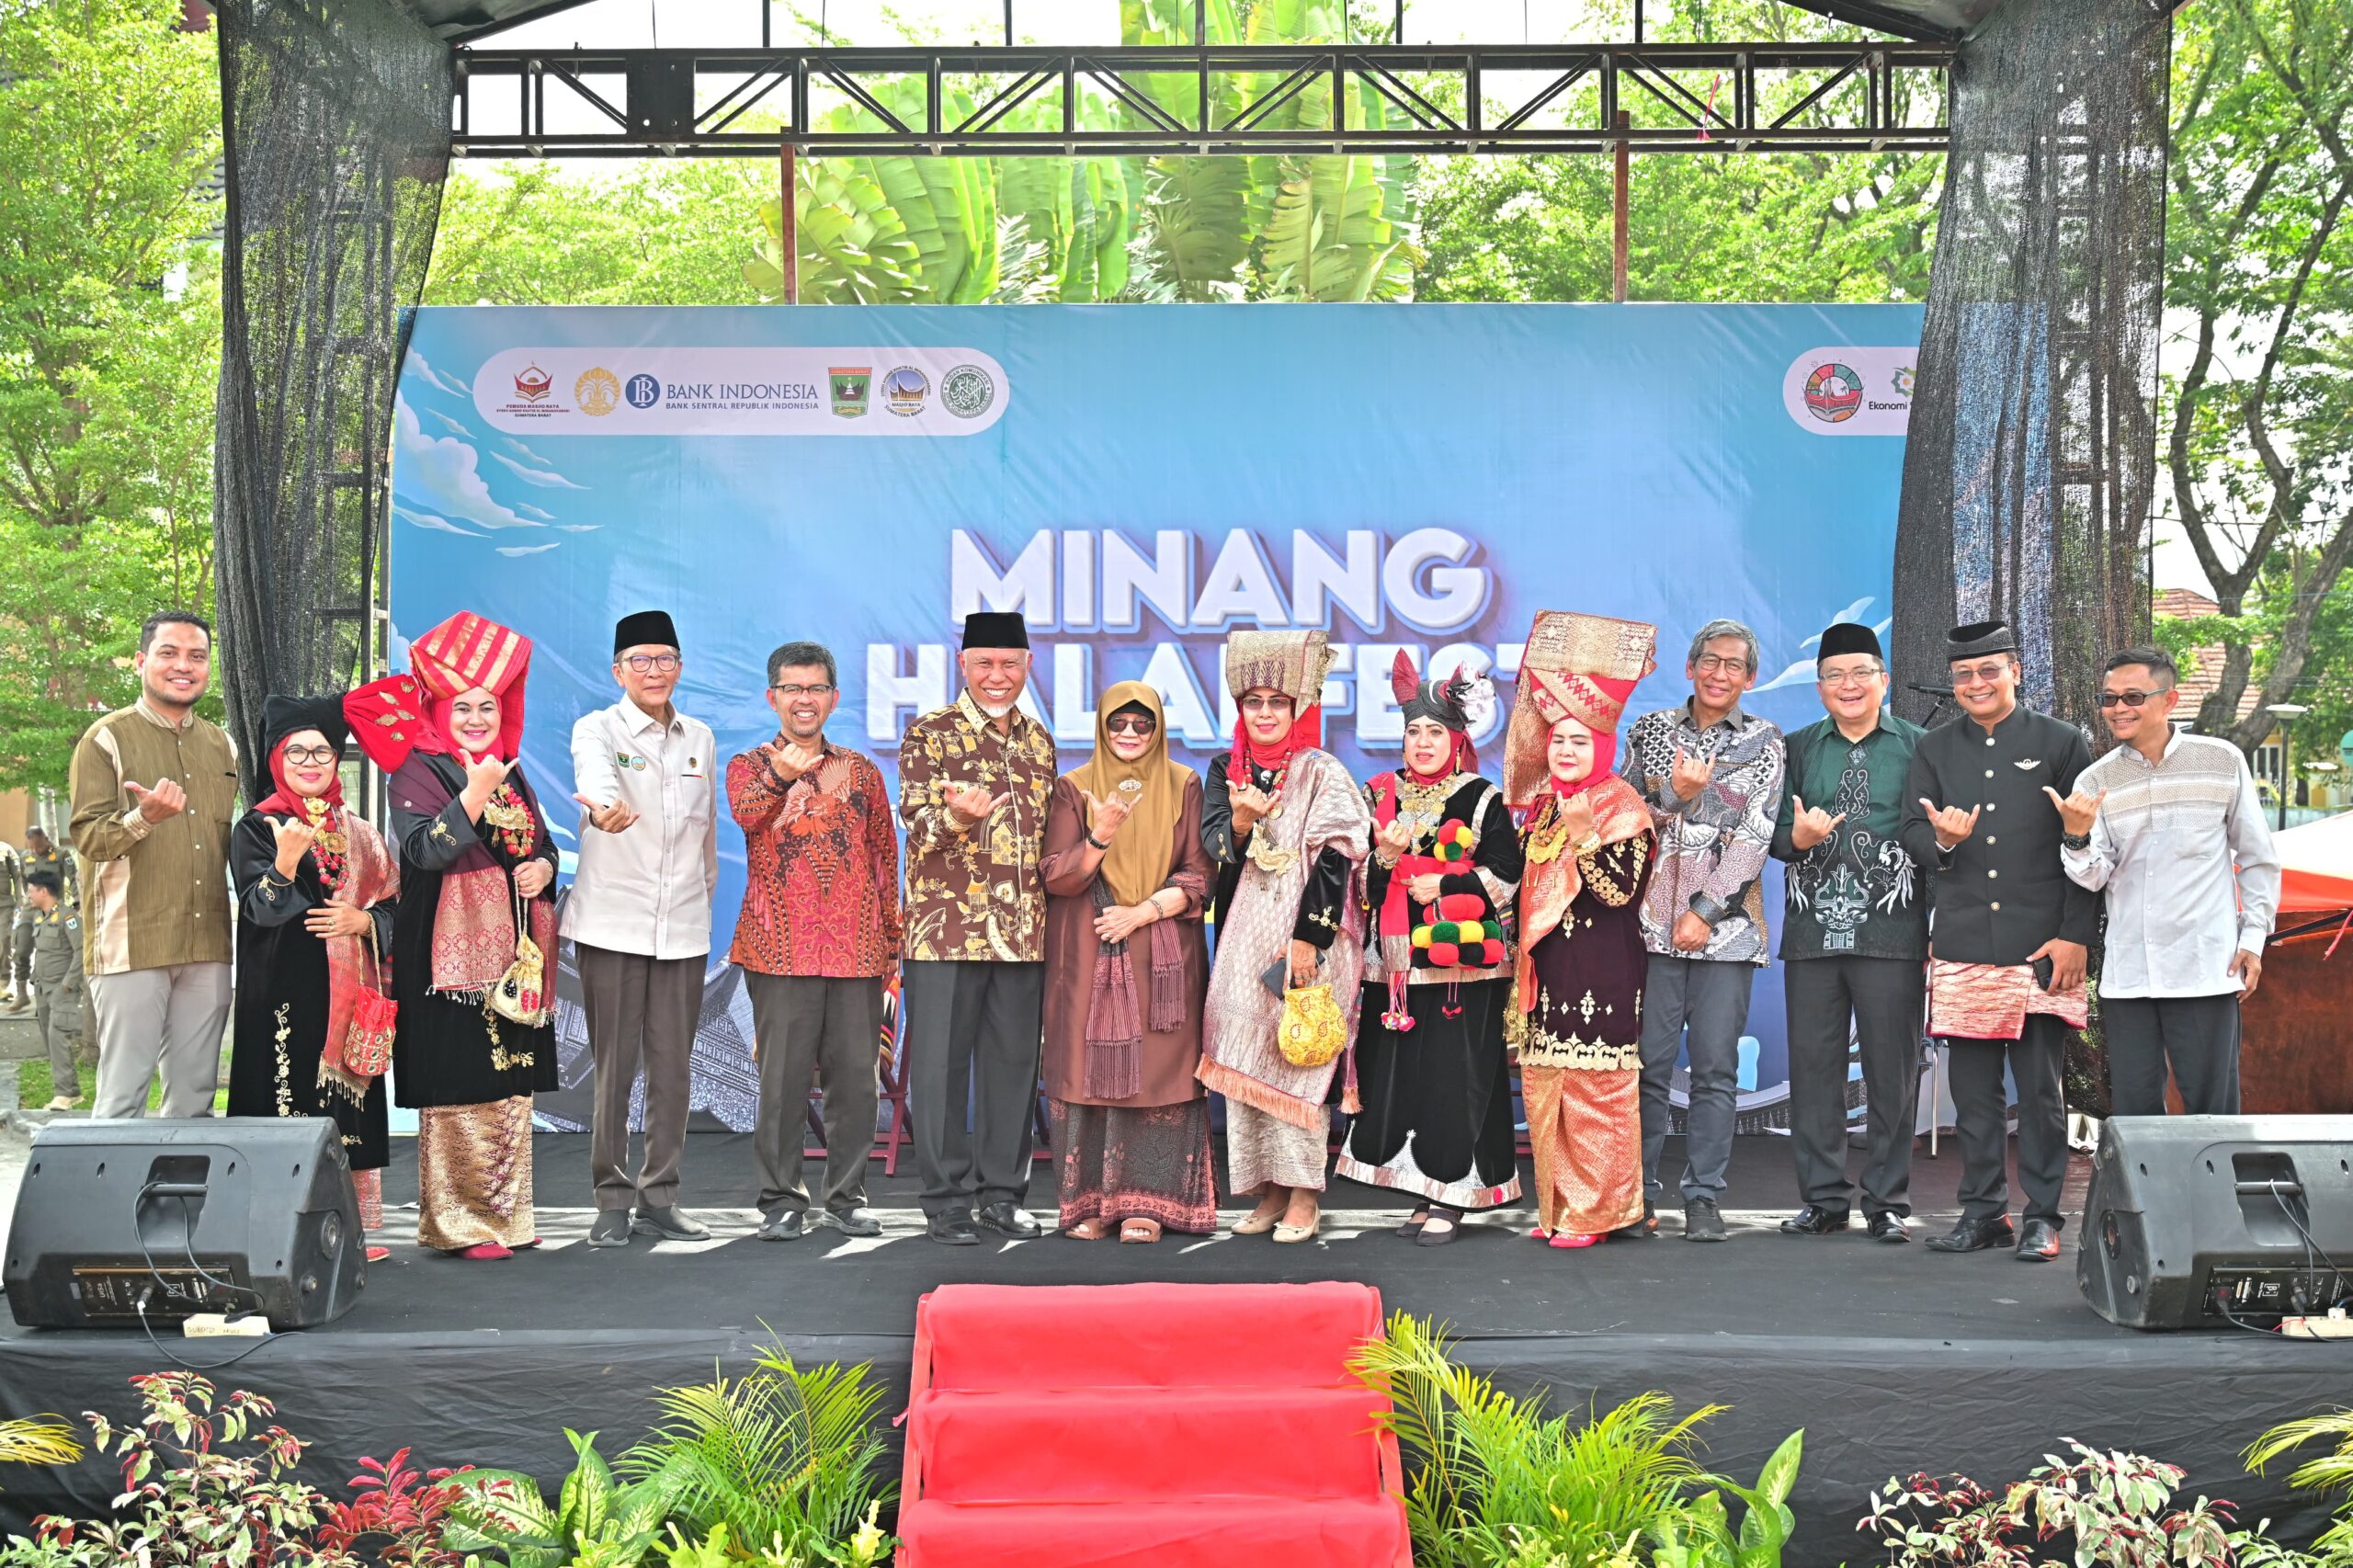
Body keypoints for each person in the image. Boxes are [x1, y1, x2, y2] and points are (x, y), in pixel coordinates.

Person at [360, 612, 560, 1260]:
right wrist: (473, 793)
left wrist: (544, 868)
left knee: (509, 1085)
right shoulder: (417, 770)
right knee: (461, 1083)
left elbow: (541, 843)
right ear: (440, 711)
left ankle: (508, 1216)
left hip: (514, 956)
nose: (476, 718)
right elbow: (423, 851)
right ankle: (459, 1223)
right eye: (463, 707)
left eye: (487, 706)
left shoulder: (512, 770)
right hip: (445, 962)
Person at [1901, 619, 2097, 1262]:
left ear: (2015, 670)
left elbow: (2088, 842)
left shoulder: (2062, 742)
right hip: (1963, 945)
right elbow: (1911, 832)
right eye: (1964, 675)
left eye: (1989, 670)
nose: (1976, 683)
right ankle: (1984, 1213)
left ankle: (2043, 1216)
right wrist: (1942, 841)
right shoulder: (1934, 748)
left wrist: (2075, 936)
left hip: (2040, 946)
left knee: (2039, 1091)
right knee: (1974, 1094)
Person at [1337, 652, 1524, 1244]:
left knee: (1455, 1078)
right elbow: (1353, 886)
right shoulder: (1375, 793)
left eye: (1435, 732)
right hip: (1391, 967)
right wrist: (1386, 859)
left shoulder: (1482, 798)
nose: (1423, 742)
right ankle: (1423, 1191)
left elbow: (1509, 875)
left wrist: (1446, 885)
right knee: (1406, 1081)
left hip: (1462, 968)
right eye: (1414, 731)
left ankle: (1453, 1195)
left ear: (1457, 738)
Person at [2052, 646, 2279, 1117]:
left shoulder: (2221, 761)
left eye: (2133, 697)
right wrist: (2075, 837)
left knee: (2213, 1113)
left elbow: (2257, 858)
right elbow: (2094, 878)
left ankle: (2213, 1174)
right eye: (2109, 698)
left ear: (2169, 699)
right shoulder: (2095, 781)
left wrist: (2253, 938)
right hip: (2130, 975)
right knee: (2136, 1115)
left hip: (2206, 969)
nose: (2118, 708)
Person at [1199, 629, 1371, 1244]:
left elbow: (1339, 855)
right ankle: (1268, 1191)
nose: (1266, 713)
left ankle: (1303, 1194)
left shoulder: (1321, 771)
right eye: (1255, 702)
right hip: (1242, 936)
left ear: (1297, 709)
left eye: (1278, 702)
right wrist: (1243, 820)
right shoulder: (1225, 770)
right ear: (1240, 709)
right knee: (1248, 1049)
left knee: (1299, 1053)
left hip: (1307, 935)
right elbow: (1215, 846)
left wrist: (1308, 939)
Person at [1618, 618, 1786, 1241]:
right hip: (1648, 931)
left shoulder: (1765, 741)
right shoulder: (1651, 729)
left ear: (1750, 678)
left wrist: (1704, 913)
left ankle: (1704, 1199)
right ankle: (1636, 1196)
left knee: (1716, 1070)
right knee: (1648, 1067)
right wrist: (1673, 793)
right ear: (1690, 667)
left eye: (1733, 665)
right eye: (1710, 661)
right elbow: (1623, 818)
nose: (1720, 674)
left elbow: (1755, 837)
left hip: (1728, 935)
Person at [726, 640, 899, 1243]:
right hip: (779, 949)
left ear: (834, 697)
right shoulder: (749, 765)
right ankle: (780, 1200)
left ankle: (847, 1197)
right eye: (793, 688)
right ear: (772, 696)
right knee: (783, 1082)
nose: (805, 699)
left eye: (816, 688)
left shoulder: (862, 772)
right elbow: (747, 814)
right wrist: (782, 773)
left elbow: (884, 858)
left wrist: (892, 941)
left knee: (856, 1083)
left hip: (856, 949)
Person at [897, 612, 1058, 1245]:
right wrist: (958, 819)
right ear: (963, 664)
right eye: (985, 663)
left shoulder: (1038, 741)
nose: (998, 676)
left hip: (1021, 937)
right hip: (946, 934)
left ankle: (1002, 1196)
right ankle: (944, 1202)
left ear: (1027, 666)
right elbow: (917, 828)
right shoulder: (930, 733)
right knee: (939, 1071)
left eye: (1009, 664)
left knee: (1013, 1069)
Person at [1768, 623, 1929, 1243]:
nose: (1849, 684)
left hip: (1894, 932)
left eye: (1861, 672)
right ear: (1818, 688)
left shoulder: (1919, 747)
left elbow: (1934, 836)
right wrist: (1796, 837)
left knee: (1893, 1074)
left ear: (1884, 680)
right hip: (1813, 934)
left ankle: (1887, 1202)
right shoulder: (1796, 748)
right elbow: (1769, 831)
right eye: (1834, 675)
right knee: (1814, 1072)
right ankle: (1824, 1200)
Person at [1505, 609, 1661, 1247]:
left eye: (1579, 741)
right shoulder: (1543, 807)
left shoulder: (1622, 805)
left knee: (1596, 1094)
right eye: (1558, 741)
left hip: (1602, 968)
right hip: (1548, 971)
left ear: (1602, 747)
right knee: (1548, 1090)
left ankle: (1600, 1213)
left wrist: (1586, 833)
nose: (1565, 751)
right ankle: (1558, 1210)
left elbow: (1619, 893)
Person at [563, 610, 720, 1249]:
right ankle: (611, 1198)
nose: (654, 671)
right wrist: (605, 811)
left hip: (682, 927)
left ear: (679, 667)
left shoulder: (700, 737)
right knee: (615, 1068)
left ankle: (660, 1196)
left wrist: (700, 902)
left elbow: (706, 833)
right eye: (640, 660)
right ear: (618, 670)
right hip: (614, 924)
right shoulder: (597, 729)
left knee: (673, 1069)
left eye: (665, 659)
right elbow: (597, 783)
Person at [1040, 682, 1216, 1244]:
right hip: (1089, 949)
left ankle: (1152, 1206)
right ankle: (1091, 1204)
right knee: (1088, 1071)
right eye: (1118, 723)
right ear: (1101, 726)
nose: (1130, 733)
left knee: (1160, 1074)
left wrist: (1141, 912)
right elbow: (1056, 875)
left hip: (1161, 954)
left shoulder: (1184, 784)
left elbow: (1200, 872)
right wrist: (1100, 835)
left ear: (1159, 728)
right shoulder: (1074, 787)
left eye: (1143, 723)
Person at [225, 695, 398, 1256]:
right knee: (285, 1106)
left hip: (349, 1000)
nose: (309, 762)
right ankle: (278, 1233)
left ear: (336, 760)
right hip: (284, 994)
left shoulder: (362, 833)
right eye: (295, 751)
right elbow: (259, 909)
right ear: (276, 759)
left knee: (347, 1115)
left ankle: (348, 1230)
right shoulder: (258, 826)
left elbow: (395, 903)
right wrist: (283, 862)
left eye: (321, 751)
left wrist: (363, 921)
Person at [69, 610, 239, 1119]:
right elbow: (88, 837)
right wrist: (142, 818)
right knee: (122, 1102)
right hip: (132, 943)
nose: (183, 665)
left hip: (207, 943)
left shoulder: (222, 745)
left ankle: (182, 1180)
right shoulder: (105, 739)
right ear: (141, 661)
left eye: (196, 656)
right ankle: (110, 1179)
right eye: (169, 653)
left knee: (194, 1103)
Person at [22, 869, 84, 1110]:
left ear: (44, 891)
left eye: (31, 891)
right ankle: (72, 1091)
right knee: (51, 1041)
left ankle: (64, 1094)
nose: (28, 896)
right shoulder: (41, 917)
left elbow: (81, 950)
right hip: (42, 988)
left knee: (58, 1037)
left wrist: (68, 984)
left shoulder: (68, 917)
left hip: (62, 990)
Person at [10, 827, 77, 1014]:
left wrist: (77, 903)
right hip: (30, 910)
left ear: (46, 839)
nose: (36, 851)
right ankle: (21, 993)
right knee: (21, 948)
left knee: (49, 952)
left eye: (39, 847)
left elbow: (74, 878)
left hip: (51, 910)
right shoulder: (25, 857)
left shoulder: (62, 855)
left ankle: (45, 996)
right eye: (32, 848)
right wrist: (25, 899)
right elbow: (24, 881)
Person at [0, 839, 21, 1012]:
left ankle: (3, 982)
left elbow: (18, 876)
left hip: (4, 905)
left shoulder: (6, 849)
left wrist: (21, 902)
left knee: (4, 940)